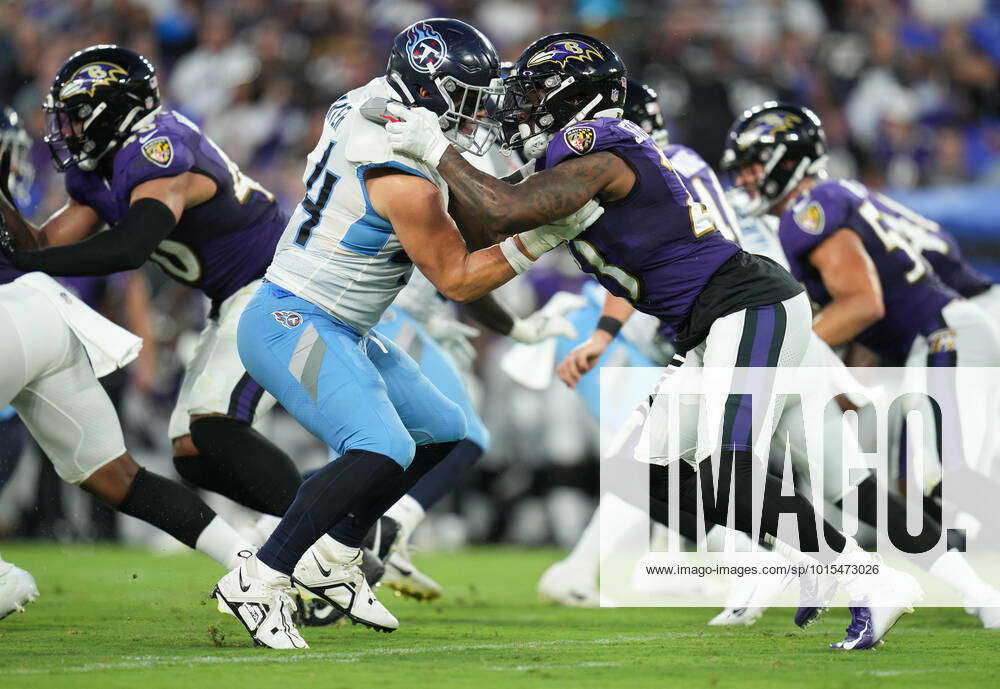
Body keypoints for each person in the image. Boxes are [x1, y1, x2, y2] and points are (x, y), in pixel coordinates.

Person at [384, 34, 922, 650]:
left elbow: (501, 210)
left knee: (728, 466)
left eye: (534, 94)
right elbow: (484, 225)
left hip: (747, 306)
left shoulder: (598, 144)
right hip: (707, 328)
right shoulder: (570, 167)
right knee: (655, 475)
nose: (520, 108)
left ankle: (866, 578)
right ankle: (811, 560)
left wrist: (435, 149)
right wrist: (432, 171)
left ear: (572, 99)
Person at [210, 18, 600, 649]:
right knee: (380, 445)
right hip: (294, 318)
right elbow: (459, 278)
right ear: (431, 94)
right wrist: (542, 239)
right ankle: (262, 575)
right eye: (468, 99)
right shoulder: (401, 173)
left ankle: (334, 555)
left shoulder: (376, 105)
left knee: (447, 433)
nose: (480, 113)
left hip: (344, 322)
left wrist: (518, 325)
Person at [0, 45, 303, 524]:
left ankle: (330, 545)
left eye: (77, 117)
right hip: (234, 298)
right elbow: (39, 249)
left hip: (276, 285)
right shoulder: (99, 168)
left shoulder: (157, 146)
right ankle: (334, 530)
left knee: (215, 429)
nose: (67, 131)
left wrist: (25, 258)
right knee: (192, 452)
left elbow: (129, 248)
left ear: (115, 111)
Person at [0, 112, 255, 623]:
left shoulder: (148, 163)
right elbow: (32, 251)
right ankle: (252, 567)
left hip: (11, 314)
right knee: (117, 476)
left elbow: (113, 257)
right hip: (46, 314)